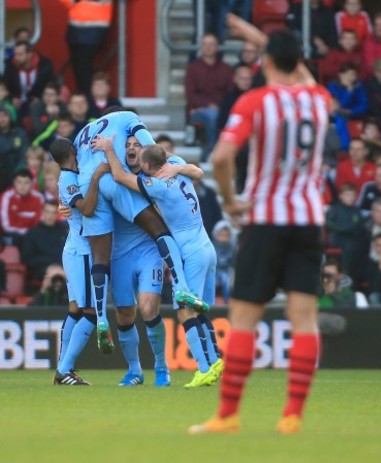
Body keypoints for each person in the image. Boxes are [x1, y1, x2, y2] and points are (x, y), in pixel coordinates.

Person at [190, 17, 331, 435]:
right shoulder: (320, 99)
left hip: (266, 217)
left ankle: (228, 415)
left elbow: (220, 157)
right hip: (308, 219)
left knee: (245, 317)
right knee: (304, 319)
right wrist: (265, 41)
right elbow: (300, 72)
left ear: (266, 61)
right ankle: (292, 416)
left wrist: (231, 201)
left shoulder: (255, 102)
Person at [49, 111, 209, 356]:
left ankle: (161, 367)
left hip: (147, 253)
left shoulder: (154, 173)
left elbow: (195, 172)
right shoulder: (128, 170)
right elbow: (84, 181)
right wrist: (69, 205)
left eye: (137, 145)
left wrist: (180, 168)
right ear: (122, 146)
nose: (133, 148)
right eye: (129, 145)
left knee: (148, 308)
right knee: (124, 313)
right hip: (121, 254)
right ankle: (133, 370)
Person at [94, 137, 222, 389]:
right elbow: (197, 171)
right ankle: (215, 360)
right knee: (200, 309)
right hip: (207, 247)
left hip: (190, 252)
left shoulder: (155, 184)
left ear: (150, 166)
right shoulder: (176, 162)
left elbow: (120, 177)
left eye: (142, 162)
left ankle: (204, 368)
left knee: (186, 309)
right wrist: (179, 168)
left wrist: (109, 149)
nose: (139, 164)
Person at [50, 141, 108, 385]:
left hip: (74, 248)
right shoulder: (68, 179)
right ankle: (64, 370)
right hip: (81, 251)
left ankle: (63, 370)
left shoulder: (70, 176)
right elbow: (86, 208)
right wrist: (96, 178)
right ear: (73, 152)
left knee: (75, 311)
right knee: (91, 312)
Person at [184, 33, 234, 161]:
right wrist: (207, 105)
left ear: (217, 47)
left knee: (216, 114)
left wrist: (218, 107)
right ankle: (213, 147)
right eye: (205, 44)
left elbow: (230, 93)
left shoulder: (226, 69)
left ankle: (214, 148)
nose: (208, 47)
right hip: (198, 110)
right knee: (212, 115)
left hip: (222, 109)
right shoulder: (193, 68)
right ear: (201, 47)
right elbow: (190, 95)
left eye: (212, 44)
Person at [58, 0, 113, 93]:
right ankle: (85, 97)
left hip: (95, 26)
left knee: (85, 66)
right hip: (75, 28)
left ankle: (88, 98)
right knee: (77, 67)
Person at [20, 200, 67, 280]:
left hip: (64, 267)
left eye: (53, 213)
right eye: (47, 212)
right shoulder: (33, 233)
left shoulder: (63, 231)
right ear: (42, 212)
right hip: (42, 269)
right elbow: (26, 258)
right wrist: (50, 264)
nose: (50, 216)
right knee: (56, 274)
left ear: (57, 214)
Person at [3, 40, 55, 111]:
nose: (16, 57)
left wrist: (40, 99)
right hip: (16, 106)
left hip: (39, 105)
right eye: (15, 54)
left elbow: (51, 86)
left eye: (20, 54)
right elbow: (5, 87)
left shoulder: (45, 66)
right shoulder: (10, 66)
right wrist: (12, 98)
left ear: (30, 54)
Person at [0, 169, 44, 246]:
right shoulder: (7, 197)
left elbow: (39, 222)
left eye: (26, 182)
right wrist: (26, 232)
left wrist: (30, 234)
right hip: (11, 236)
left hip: (33, 237)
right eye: (19, 182)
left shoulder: (39, 198)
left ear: (32, 184)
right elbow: (6, 226)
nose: (22, 186)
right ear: (14, 183)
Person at [0, 105, 29, 192]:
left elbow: (24, 153)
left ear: (10, 117)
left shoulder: (19, 133)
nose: (2, 119)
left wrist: (19, 170)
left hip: (15, 170)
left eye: (5, 115)